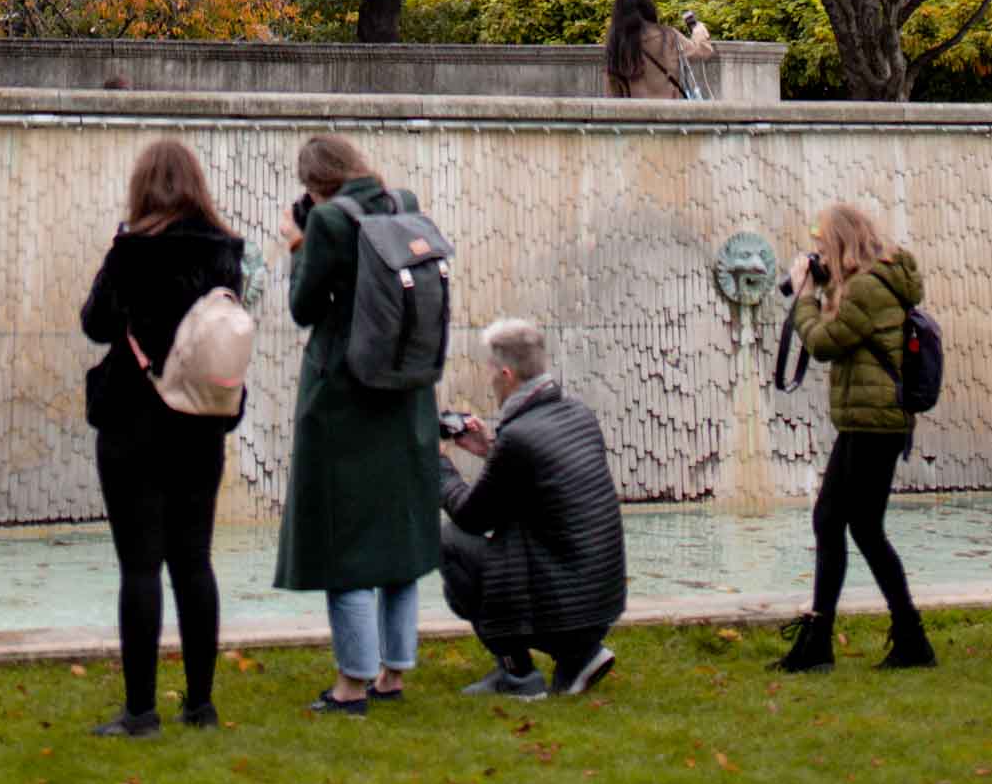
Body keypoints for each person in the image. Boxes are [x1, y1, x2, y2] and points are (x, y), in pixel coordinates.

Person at [79, 135, 249, 740]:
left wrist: (118, 254)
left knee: (140, 567)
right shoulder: (227, 251)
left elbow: (95, 324)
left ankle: (141, 712)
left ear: (143, 186)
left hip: (133, 422)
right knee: (195, 562)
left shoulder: (131, 251)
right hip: (201, 422)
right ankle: (200, 705)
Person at [272, 133, 442, 714]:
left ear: (315, 183)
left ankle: (350, 684)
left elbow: (303, 308)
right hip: (406, 392)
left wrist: (297, 245)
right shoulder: (404, 203)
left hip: (344, 399)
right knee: (396, 535)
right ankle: (393, 673)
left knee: (344, 540)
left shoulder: (328, 225)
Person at [773, 203, 934, 673]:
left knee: (855, 525)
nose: (819, 254)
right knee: (839, 522)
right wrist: (823, 288)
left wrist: (804, 297)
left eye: (824, 247)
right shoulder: (871, 282)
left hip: (874, 422)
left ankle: (901, 639)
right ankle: (832, 640)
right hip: (868, 421)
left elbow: (823, 343)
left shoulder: (867, 287)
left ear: (840, 242)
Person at [439, 316, 625, 700]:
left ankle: (518, 674)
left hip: (565, 606)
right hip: (600, 602)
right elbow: (541, 486)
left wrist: (436, 465)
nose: (488, 379)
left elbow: (471, 517)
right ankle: (580, 655)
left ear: (507, 374)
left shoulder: (521, 436)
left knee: (451, 542)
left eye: (490, 371)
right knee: (509, 539)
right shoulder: (578, 415)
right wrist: (490, 448)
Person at [603, 0, 716, 99]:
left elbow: (612, 96)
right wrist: (698, 32)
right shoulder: (668, 36)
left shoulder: (617, 45)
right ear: (647, 6)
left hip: (634, 115)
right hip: (670, 113)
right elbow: (702, 51)